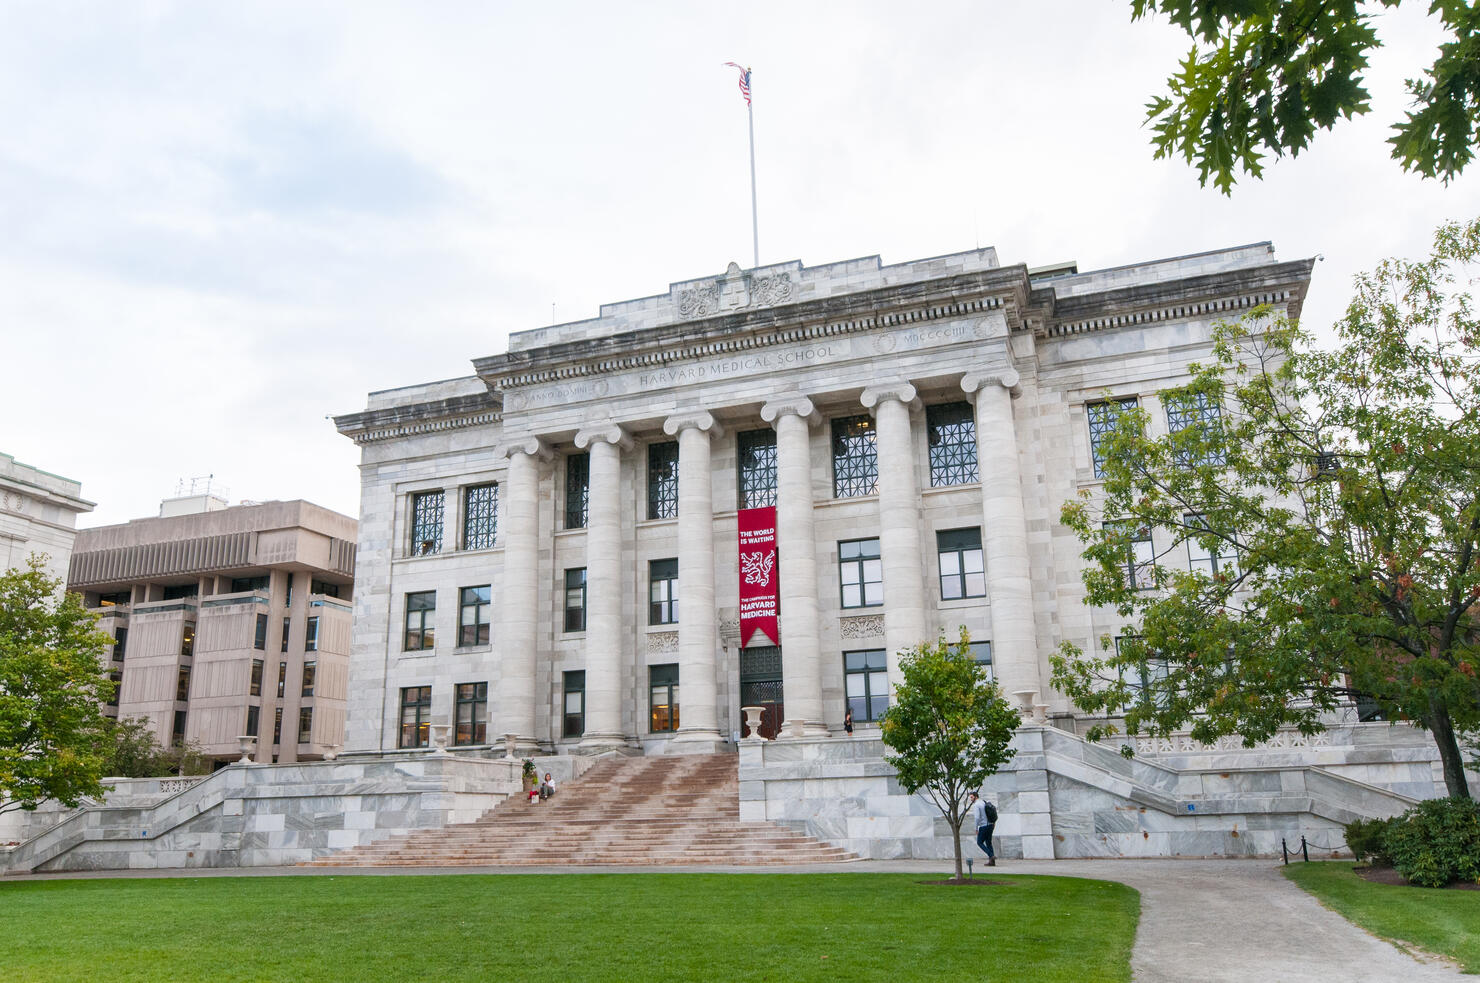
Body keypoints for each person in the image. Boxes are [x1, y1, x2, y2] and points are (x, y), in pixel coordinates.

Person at [967, 791, 996, 866]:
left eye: (972, 797)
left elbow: (977, 818)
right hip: (990, 825)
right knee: (988, 843)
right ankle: (992, 862)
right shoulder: (984, 802)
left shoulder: (976, 805)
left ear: (976, 797)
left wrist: (976, 828)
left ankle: (991, 855)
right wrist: (993, 822)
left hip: (983, 826)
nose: (971, 799)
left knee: (979, 842)